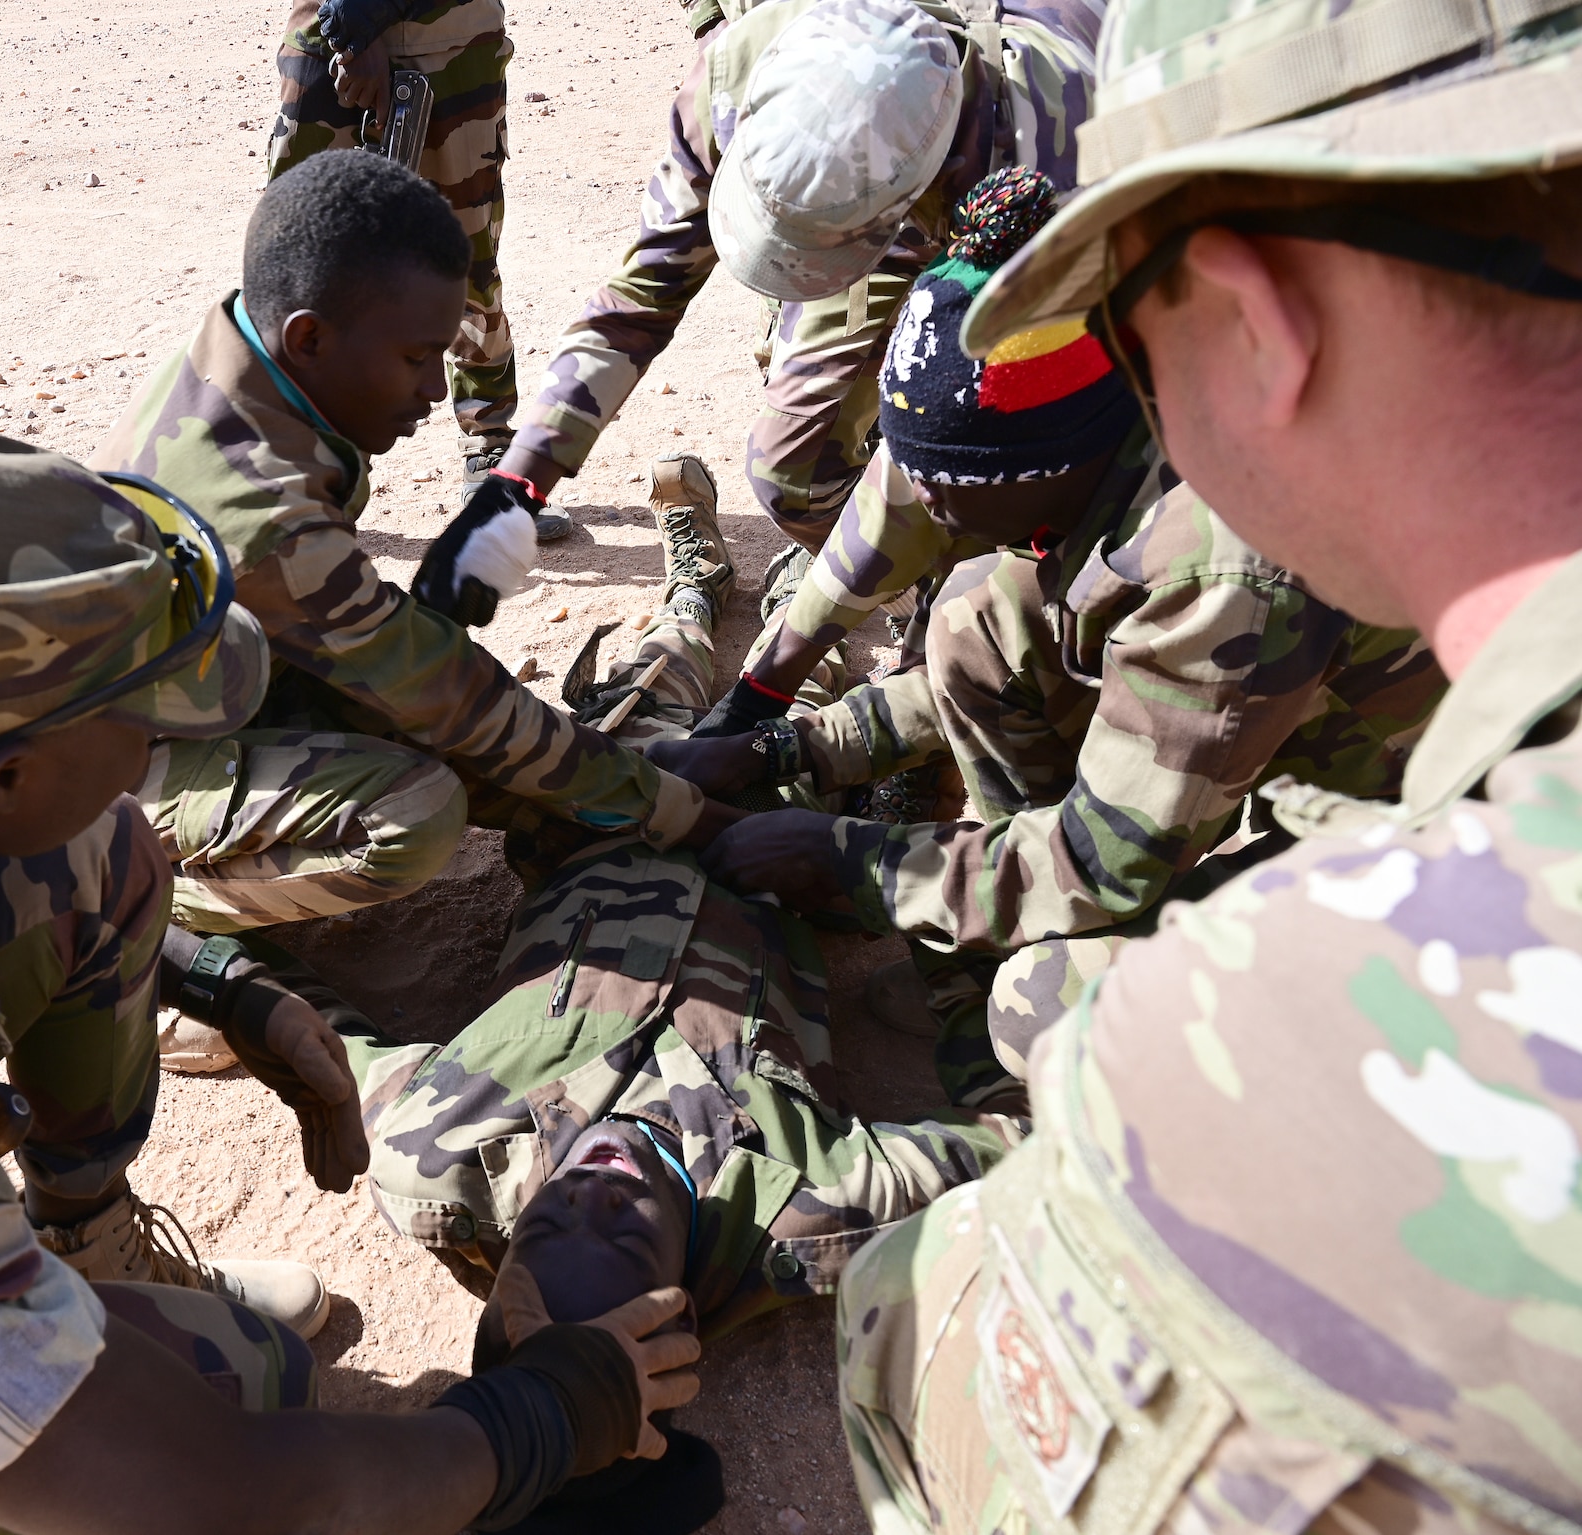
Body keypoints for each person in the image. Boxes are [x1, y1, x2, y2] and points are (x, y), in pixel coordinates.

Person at [0, 433, 698, 1535]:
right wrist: (541, 1413)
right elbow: (209, 1496)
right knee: (211, 1406)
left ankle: (76, 1238)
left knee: (99, 857)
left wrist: (223, 985)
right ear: (4, 774)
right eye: (149, 726)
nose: (159, 759)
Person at [833, 0, 1582, 1530]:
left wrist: (851, 860)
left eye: (1124, 330)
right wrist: (799, 724)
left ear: (1252, 322)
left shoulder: (1314, 1018)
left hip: (1224, 867)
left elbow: (1103, 860)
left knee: (917, 1288)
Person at [664, 167, 1446, 1107]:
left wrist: (843, 859)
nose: (932, 510)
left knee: (1041, 1001)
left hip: (1414, 838)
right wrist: (787, 742)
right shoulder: (1117, 439)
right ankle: (990, 935)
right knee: (970, 617)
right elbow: (978, 636)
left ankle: (1055, 1096)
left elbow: (1100, 862)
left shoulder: (1220, 568)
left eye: (951, 492)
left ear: (1046, 467)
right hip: (1273, 732)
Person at [166, 506, 1022, 1340]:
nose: (594, 1189)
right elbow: (1024, 1145)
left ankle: (695, 589)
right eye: (625, 1234)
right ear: (681, 1300)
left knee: (660, 672)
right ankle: (805, 596)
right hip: (785, 839)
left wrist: (179, 954)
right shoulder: (811, 1203)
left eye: (546, 1224)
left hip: (597, 817)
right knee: (814, 701)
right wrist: (939, 944)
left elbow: (312, 1035)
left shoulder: (449, 1154)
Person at [98, 150, 727, 979]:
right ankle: (122, 907)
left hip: (195, 692)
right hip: (102, 785)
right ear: (310, 336)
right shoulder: (266, 515)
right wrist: (681, 812)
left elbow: (401, 662)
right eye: (416, 358)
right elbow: (445, 691)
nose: (437, 391)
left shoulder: (240, 353)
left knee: (507, 762)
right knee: (416, 811)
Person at [478, 0, 1099, 557]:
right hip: (890, 187)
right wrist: (519, 481)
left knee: (1014, 456)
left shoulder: (1063, 157)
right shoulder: (739, 72)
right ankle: (904, 582)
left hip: (996, 200)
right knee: (795, 475)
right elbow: (641, 297)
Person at [268, 0, 517, 503]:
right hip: (327, 47)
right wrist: (349, 27)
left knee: (463, 265)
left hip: (450, 42)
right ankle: (308, 455)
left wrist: (362, 15)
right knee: (304, 266)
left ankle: (490, 441)